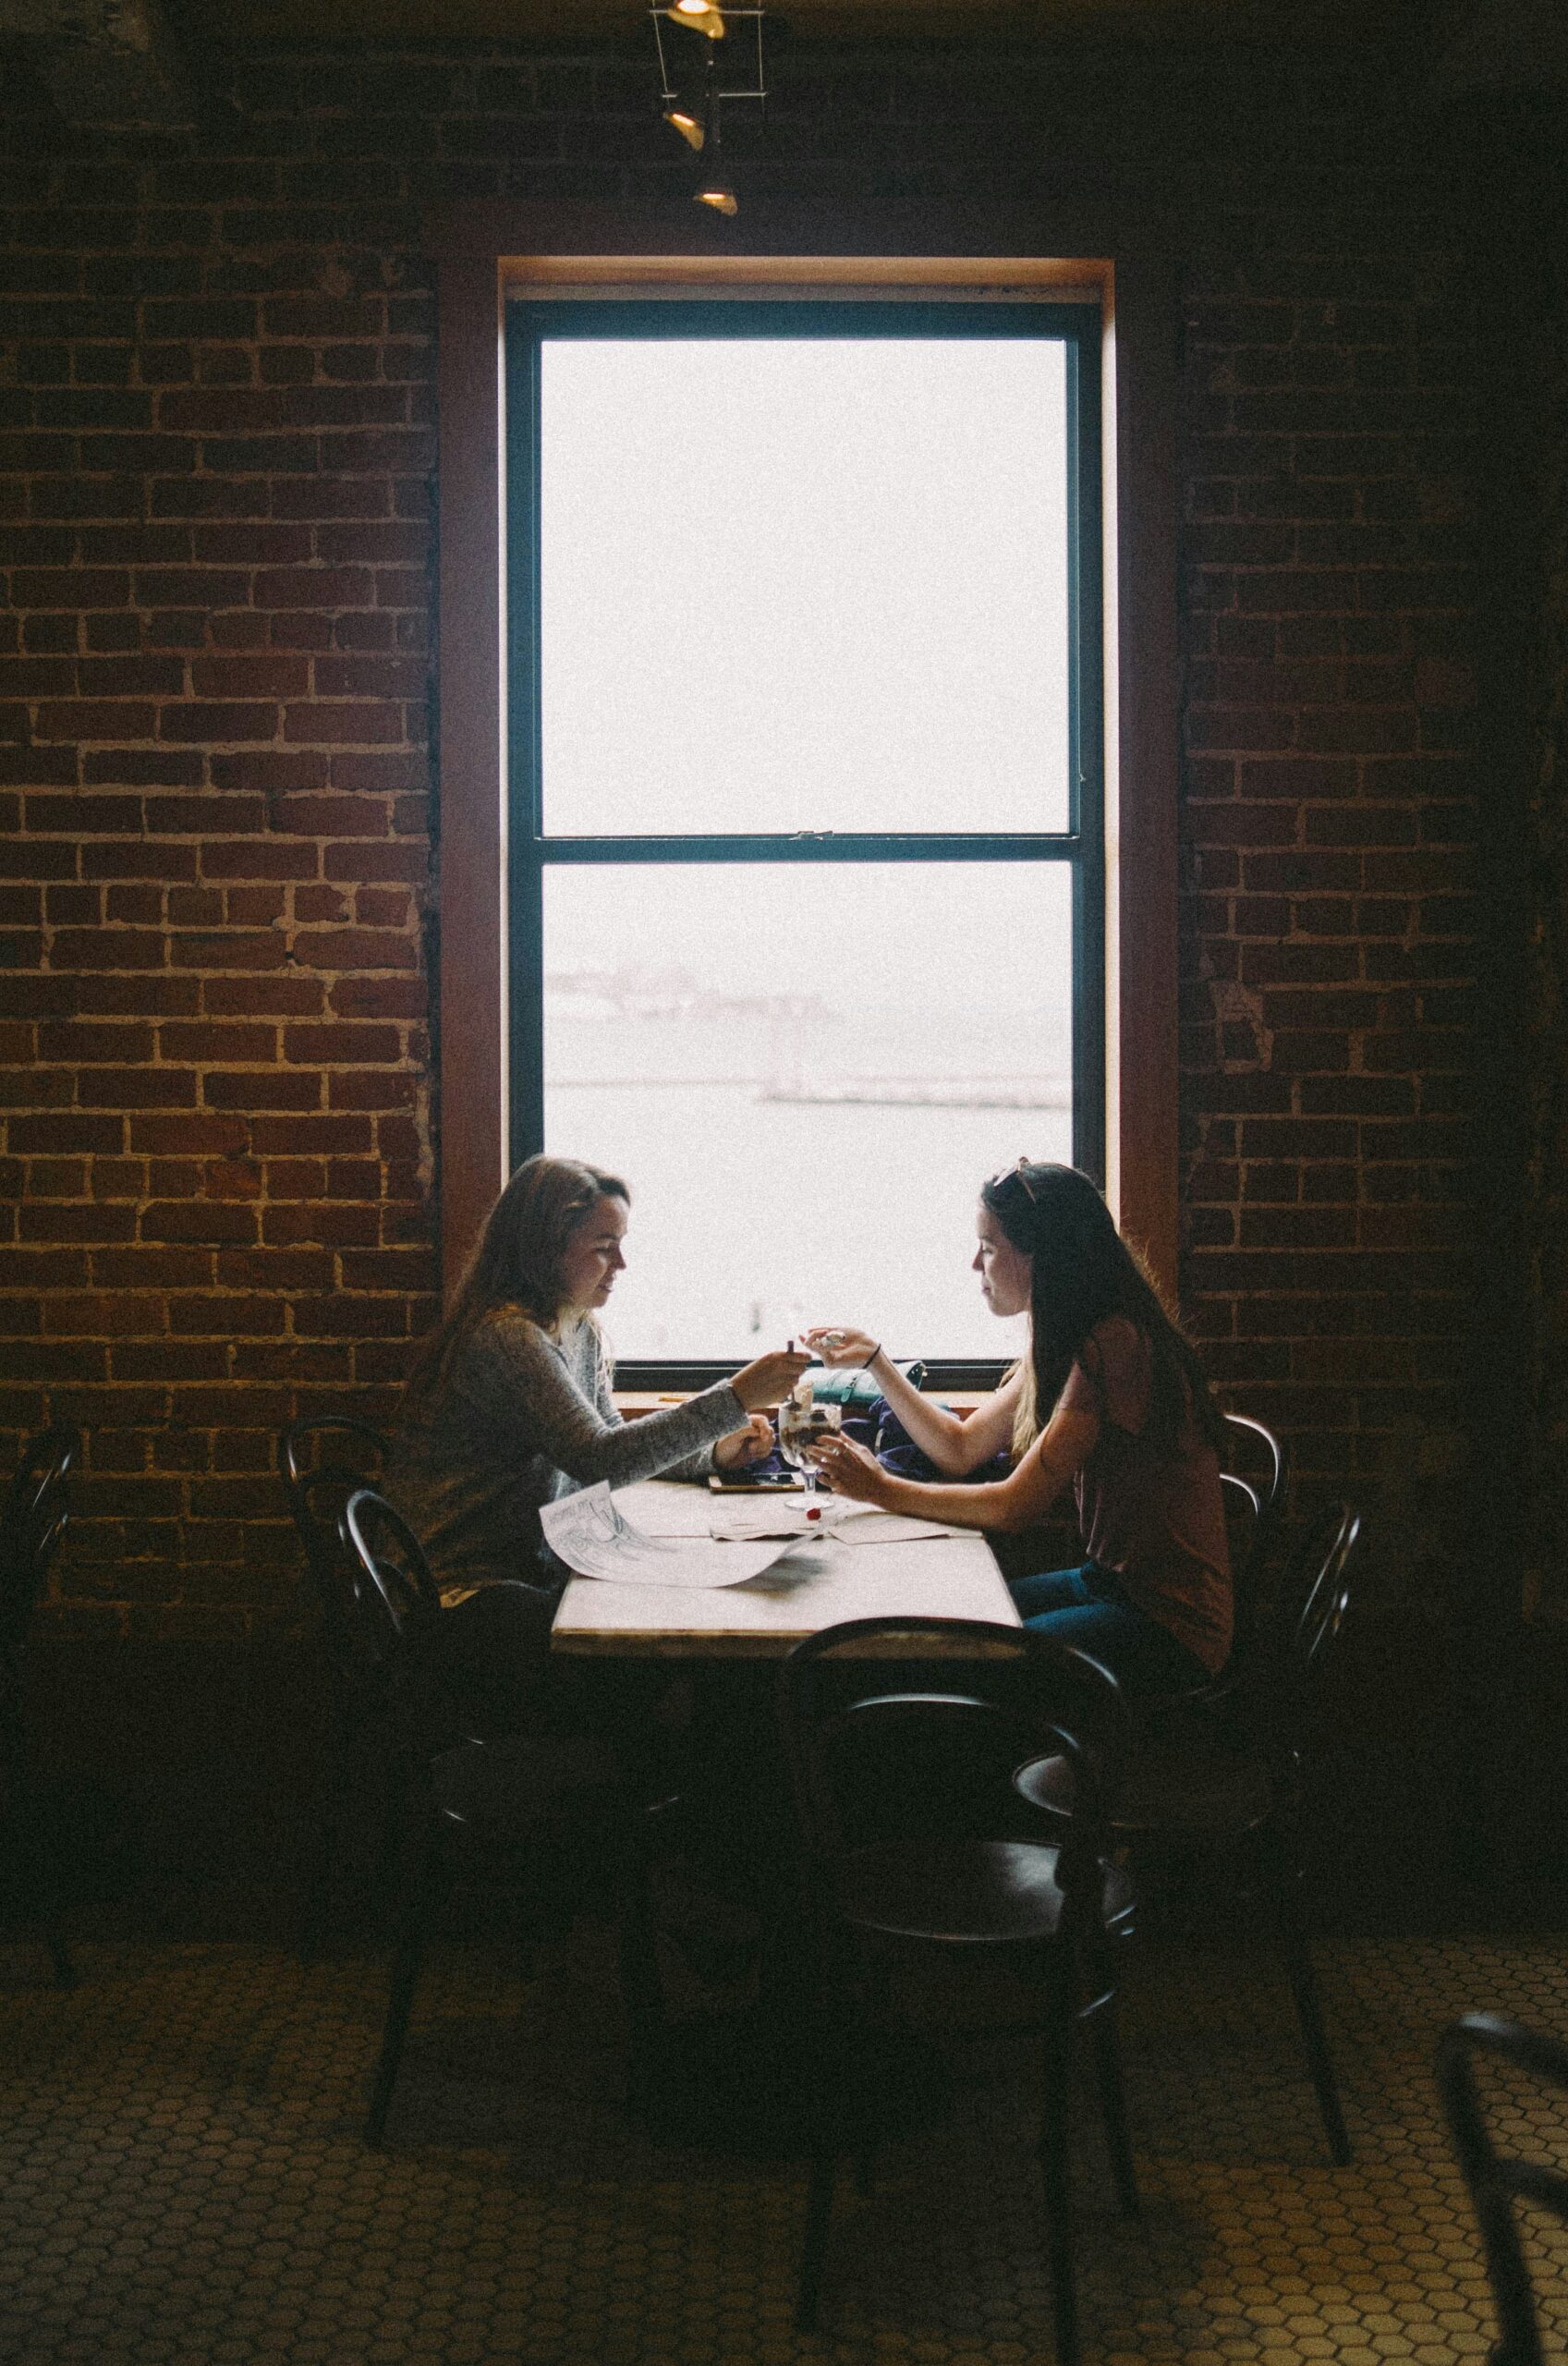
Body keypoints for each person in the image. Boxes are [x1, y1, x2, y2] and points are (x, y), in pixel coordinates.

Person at [395, 1154, 811, 1723]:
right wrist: (735, 1397)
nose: (621, 1263)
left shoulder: (577, 1326)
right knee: (690, 1650)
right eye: (602, 1246)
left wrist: (713, 1453)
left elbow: (610, 1437)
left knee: (691, 1624)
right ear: (544, 1248)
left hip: (535, 1565)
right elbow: (596, 1459)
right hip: (467, 1597)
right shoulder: (508, 1339)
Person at [804, 1159, 1232, 1697]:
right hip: (1107, 1584)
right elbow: (961, 1450)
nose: (973, 1264)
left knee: (968, 1659)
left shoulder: (1114, 1346)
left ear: (1042, 1256)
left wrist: (881, 1489)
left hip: (1168, 1626)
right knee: (945, 1620)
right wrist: (877, 1364)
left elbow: (1013, 1508)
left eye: (988, 1247)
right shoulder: (1072, 1335)